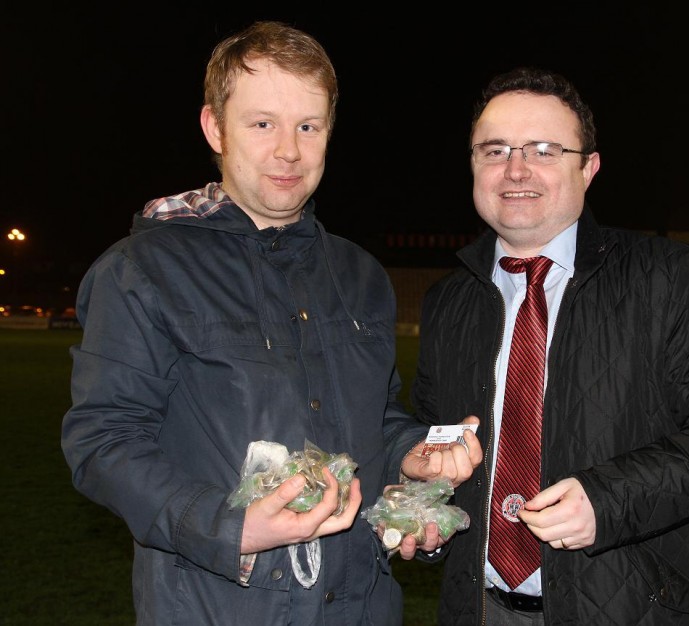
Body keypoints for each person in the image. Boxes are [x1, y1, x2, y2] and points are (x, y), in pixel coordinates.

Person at [61, 21, 480, 626]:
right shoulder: (143, 269)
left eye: (308, 127)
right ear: (215, 128)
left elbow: (375, 423)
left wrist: (410, 455)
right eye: (263, 124)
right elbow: (101, 441)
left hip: (360, 609)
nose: (289, 150)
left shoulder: (360, 275)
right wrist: (229, 527)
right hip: (215, 607)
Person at [409, 66, 689, 625]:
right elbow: (436, 443)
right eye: (494, 150)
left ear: (588, 167)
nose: (515, 168)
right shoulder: (448, 301)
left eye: (543, 149)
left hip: (631, 611)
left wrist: (609, 501)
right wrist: (423, 510)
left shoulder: (668, 276)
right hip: (480, 609)